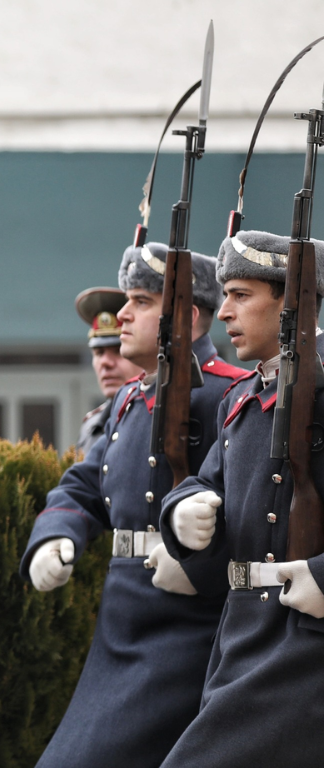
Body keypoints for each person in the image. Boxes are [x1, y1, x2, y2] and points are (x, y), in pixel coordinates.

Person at [19, 242, 247, 768]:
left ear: (187, 316)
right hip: (122, 621)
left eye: (141, 301)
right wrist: (57, 532)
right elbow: (85, 483)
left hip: (187, 626)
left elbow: (259, 509)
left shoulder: (228, 396)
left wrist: (199, 560)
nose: (122, 314)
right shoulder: (130, 398)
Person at [158, 231, 324, 767]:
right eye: (224, 294)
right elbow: (207, 485)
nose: (224, 311)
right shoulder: (242, 398)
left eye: (241, 294)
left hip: (304, 643)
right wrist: (182, 513)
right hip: (241, 636)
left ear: (290, 302)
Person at [74, 287, 144, 455]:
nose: (105, 362)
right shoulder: (91, 427)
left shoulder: (157, 420)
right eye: (99, 353)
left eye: (118, 350)